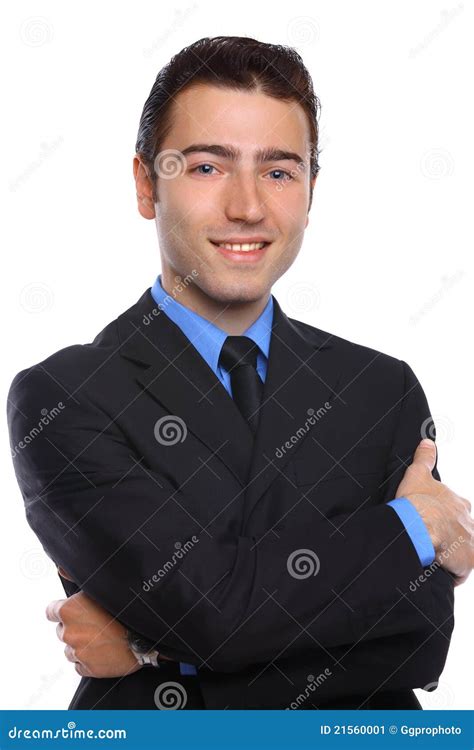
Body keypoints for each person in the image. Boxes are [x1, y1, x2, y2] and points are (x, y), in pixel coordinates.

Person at [7, 36, 472, 711]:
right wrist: (407, 530)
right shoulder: (66, 397)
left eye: (280, 171)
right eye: (206, 168)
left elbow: (419, 639)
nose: (248, 207)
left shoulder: (380, 388)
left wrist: (149, 646)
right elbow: (214, 613)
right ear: (146, 184)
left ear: (311, 190)